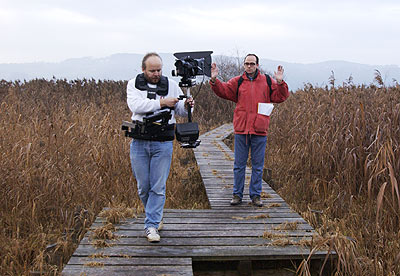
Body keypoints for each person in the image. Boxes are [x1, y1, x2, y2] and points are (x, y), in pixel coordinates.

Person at [126, 52, 193, 242]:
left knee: (158, 186)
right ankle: (156, 216)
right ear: (143, 69)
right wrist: (162, 102)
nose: (156, 74)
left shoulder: (170, 84)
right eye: (152, 70)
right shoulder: (133, 84)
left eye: (159, 70)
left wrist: (188, 106)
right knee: (143, 187)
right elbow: (136, 106)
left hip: (163, 142)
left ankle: (151, 225)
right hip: (139, 141)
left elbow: (179, 110)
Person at [209, 53, 289, 207]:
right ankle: (237, 195)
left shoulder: (267, 81)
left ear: (257, 65)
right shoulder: (238, 81)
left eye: (252, 64)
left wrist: (280, 83)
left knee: (258, 166)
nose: (249, 66)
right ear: (244, 65)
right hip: (241, 130)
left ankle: (256, 196)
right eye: (247, 64)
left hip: (259, 130)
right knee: (239, 165)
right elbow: (223, 90)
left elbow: (280, 97)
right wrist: (214, 80)